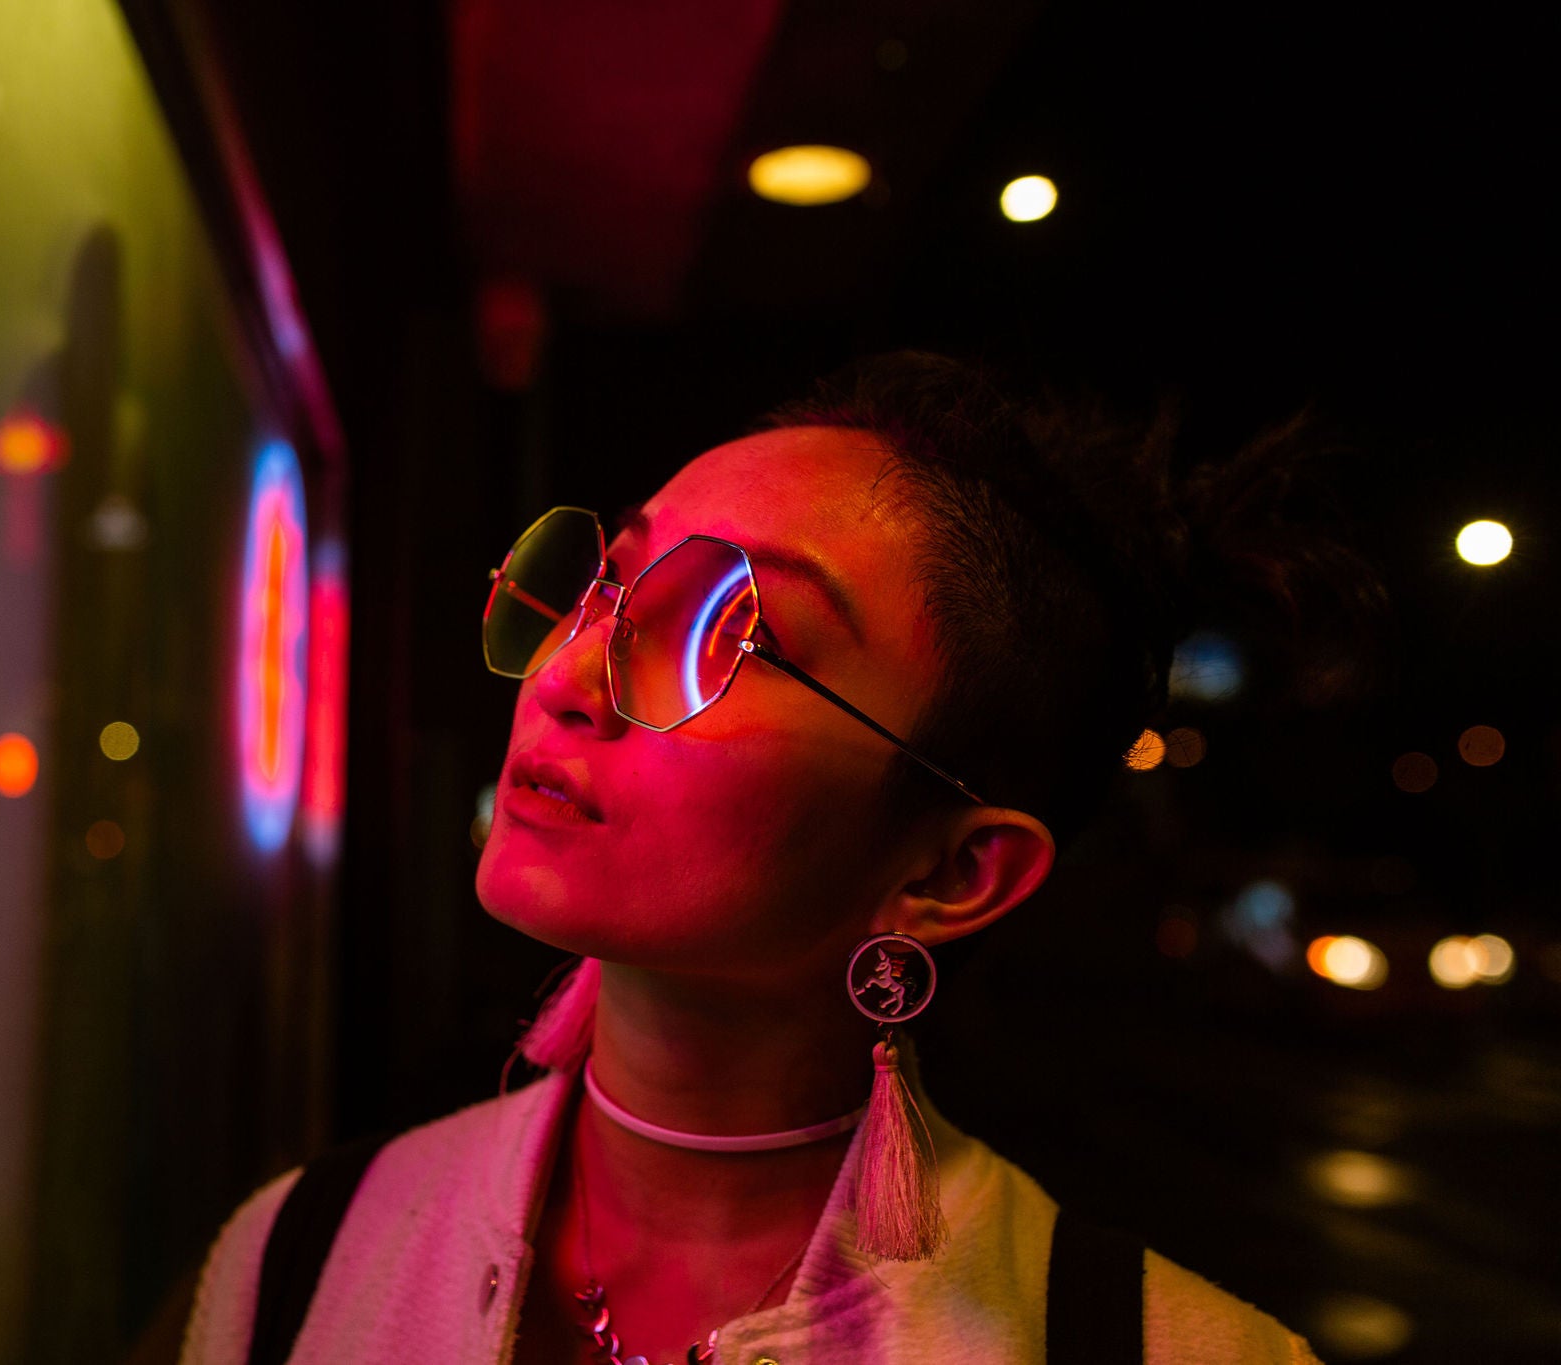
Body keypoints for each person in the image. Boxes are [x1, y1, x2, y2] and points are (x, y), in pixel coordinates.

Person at [184, 352, 1374, 1364]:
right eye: (604, 587)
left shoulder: (1151, 1344)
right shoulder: (299, 1254)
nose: (559, 679)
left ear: (952, 873)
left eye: (725, 634)